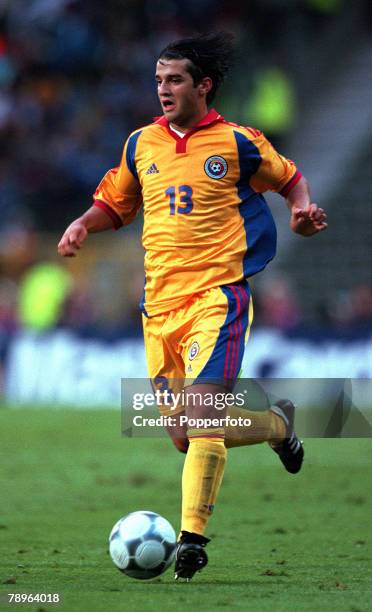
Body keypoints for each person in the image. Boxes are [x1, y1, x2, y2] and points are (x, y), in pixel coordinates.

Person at [58, 32, 327, 581]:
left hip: (217, 299)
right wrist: (84, 223)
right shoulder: (140, 144)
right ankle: (277, 426)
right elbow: (116, 201)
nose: (163, 88)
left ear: (203, 86)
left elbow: (290, 179)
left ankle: (192, 539)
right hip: (158, 309)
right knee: (185, 434)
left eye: (174, 79)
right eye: (158, 79)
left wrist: (302, 209)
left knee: (202, 420)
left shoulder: (238, 141)